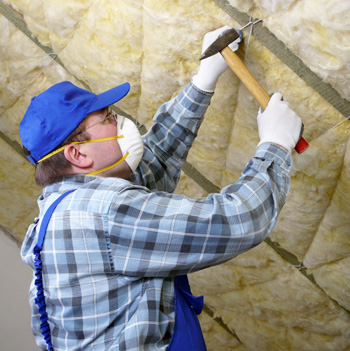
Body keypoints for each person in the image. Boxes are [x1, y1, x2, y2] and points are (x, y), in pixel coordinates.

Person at [19, 26, 302, 351]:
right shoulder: (101, 215)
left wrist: (204, 79)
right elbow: (235, 222)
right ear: (78, 154)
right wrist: (274, 146)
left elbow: (154, 163)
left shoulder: (66, 209)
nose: (119, 122)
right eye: (107, 118)